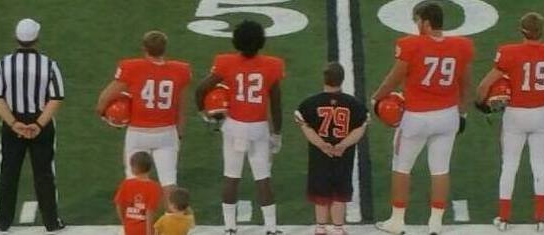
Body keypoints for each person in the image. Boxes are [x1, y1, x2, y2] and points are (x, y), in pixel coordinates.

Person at [371, 2, 474, 234]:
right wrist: (462, 111)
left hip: (417, 116)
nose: (416, 25)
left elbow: (394, 77)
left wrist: (377, 98)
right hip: (448, 115)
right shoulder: (461, 45)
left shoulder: (412, 45)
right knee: (440, 169)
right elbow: (465, 83)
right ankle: (435, 224)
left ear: (426, 22)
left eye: (417, 20)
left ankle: (397, 222)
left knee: (402, 167)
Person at [475, 12, 544, 232]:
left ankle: (504, 218)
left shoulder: (508, 53)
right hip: (542, 113)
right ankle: (541, 218)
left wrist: (482, 104)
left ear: (522, 30)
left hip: (516, 115)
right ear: (541, 31)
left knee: (509, 166)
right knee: (539, 166)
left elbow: (483, 86)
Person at [195, 20, 285, 235]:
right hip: (258, 127)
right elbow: (276, 103)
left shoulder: (225, 63)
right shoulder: (272, 65)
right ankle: (271, 228)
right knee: (262, 177)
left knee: (231, 176)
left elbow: (201, 89)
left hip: (234, 126)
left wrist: (203, 113)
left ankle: (229, 227)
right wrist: (277, 133)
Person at [0, 18, 65, 234]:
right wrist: (39, 124)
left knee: (8, 172)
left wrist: (14, 123)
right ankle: (51, 221)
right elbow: (56, 97)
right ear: (36, 39)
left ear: (16, 38)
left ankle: (3, 222)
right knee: (44, 174)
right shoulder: (49, 65)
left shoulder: (3, 64)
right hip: (42, 123)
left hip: (13, 124)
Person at [97, 30, 191, 206]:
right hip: (167, 132)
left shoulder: (132, 67)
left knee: (135, 182)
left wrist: (103, 114)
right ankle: (174, 225)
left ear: (144, 48)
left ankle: (137, 226)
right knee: (169, 183)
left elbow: (104, 98)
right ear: (165, 49)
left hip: (138, 133)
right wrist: (179, 134)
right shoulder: (181, 70)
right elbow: (181, 107)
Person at [295, 62, 368, 235]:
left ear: (324, 78)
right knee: (339, 193)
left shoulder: (310, 103)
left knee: (320, 193)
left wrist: (322, 144)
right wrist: (342, 145)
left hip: (319, 157)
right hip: (343, 157)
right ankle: (338, 228)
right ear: (342, 80)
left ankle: (320, 227)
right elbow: (360, 128)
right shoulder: (353, 104)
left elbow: (305, 126)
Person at [115, 152, 163, 235]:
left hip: (129, 229)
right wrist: (149, 232)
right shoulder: (154, 187)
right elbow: (150, 212)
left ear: (134, 168)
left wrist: (124, 222)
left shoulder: (126, 184)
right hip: (145, 229)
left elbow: (119, 205)